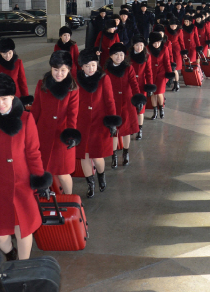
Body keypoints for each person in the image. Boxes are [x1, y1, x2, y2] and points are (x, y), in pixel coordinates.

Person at [0, 74, 52, 260]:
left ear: (13, 97)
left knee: (23, 227)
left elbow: (33, 152)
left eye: (5, 99)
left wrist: (40, 179)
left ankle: (23, 265)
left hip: (21, 183)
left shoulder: (26, 119)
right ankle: (10, 255)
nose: (1, 104)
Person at [31, 51, 80, 194]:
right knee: (42, 170)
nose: (59, 73)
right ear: (51, 68)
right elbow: (35, 110)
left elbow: (72, 115)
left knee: (63, 173)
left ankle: (69, 199)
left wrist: (71, 135)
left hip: (62, 137)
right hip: (43, 134)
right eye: (56, 69)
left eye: (63, 70)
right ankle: (46, 202)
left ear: (69, 70)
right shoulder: (42, 84)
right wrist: (28, 131)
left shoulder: (73, 89)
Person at [75, 49, 121, 198]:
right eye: (87, 66)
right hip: (81, 123)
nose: (91, 69)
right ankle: (91, 184)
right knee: (84, 155)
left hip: (99, 122)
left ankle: (101, 175)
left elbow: (109, 100)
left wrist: (112, 121)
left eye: (93, 65)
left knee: (97, 155)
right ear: (81, 66)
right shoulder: (76, 80)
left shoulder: (103, 78)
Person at [104, 43, 142, 168]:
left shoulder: (128, 68)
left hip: (127, 102)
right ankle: (114, 155)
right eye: (116, 54)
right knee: (114, 131)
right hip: (112, 104)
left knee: (126, 131)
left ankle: (126, 153)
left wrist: (138, 98)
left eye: (121, 54)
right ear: (111, 56)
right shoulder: (106, 70)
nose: (119, 57)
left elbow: (134, 83)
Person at [128, 36, 155, 139]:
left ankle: (140, 129)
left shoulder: (147, 56)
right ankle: (131, 127)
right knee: (131, 108)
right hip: (130, 85)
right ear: (133, 46)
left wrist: (149, 85)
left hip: (141, 85)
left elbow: (149, 72)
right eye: (136, 45)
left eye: (141, 45)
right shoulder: (128, 56)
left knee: (141, 109)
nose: (139, 47)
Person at [148, 32, 175, 121]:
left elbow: (167, 62)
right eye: (155, 43)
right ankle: (155, 111)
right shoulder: (147, 49)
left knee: (159, 92)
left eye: (159, 42)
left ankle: (161, 109)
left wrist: (169, 73)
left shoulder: (164, 48)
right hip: (151, 74)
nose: (157, 45)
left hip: (161, 73)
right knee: (153, 93)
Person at [164, 19, 187, 91]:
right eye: (171, 25)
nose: (173, 27)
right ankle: (172, 82)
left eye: (174, 25)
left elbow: (182, 42)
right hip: (168, 50)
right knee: (170, 67)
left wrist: (184, 52)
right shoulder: (166, 30)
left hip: (176, 50)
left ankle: (176, 84)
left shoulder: (179, 31)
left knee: (175, 68)